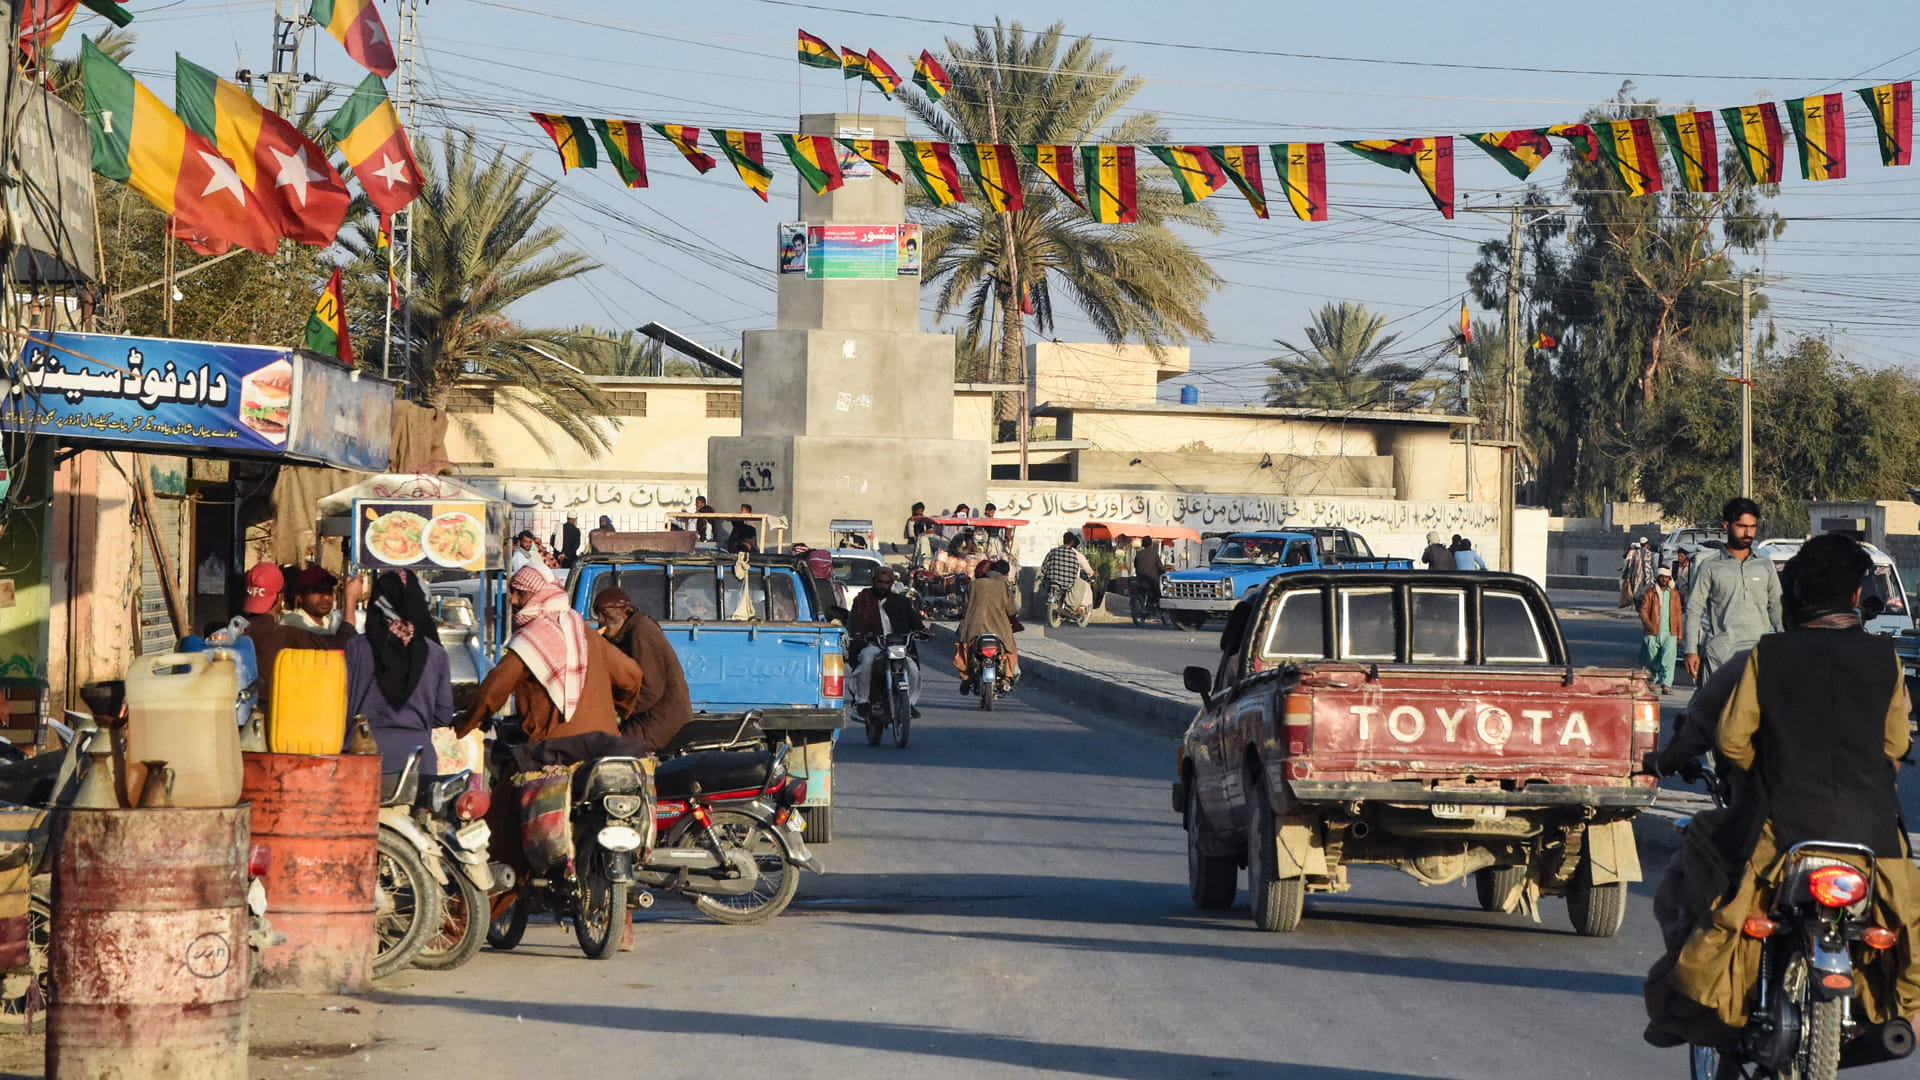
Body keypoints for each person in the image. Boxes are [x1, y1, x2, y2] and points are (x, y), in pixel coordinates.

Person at [1642, 533, 1920, 1047]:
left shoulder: (1766, 655)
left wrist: (1761, 774)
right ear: (1858, 597)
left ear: (1790, 595)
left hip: (1782, 830)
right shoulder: (1887, 660)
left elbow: (1729, 739)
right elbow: (1895, 743)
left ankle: (1692, 1006)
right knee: (1906, 929)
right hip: (1874, 840)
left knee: (1700, 856)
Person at [456, 566, 643, 753]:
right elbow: (632, 675)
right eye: (512, 593)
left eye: (520, 594)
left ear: (540, 595)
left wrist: (464, 725)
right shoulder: (585, 632)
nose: (513, 600)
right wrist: (614, 709)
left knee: (506, 776)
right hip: (606, 744)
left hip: (555, 750)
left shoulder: (532, 639)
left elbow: (494, 689)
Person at [344, 571, 455, 772]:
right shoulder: (436, 654)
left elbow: (341, 703)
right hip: (417, 758)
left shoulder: (355, 648)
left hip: (361, 758)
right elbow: (443, 715)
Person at [1682, 497, 1782, 684]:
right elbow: (1693, 610)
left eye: (1752, 527)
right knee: (1712, 711)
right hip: (1720, 658)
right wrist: (1691, 650)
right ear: (1726, 526)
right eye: (1742, 526)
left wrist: (1787, 645)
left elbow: (1777, 607)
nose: (1748, 532)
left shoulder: (1765, 565)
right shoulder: (1710, 566)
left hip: (1758, 657)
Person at [236, 562, 361, 709]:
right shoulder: (289, 632)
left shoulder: (230, 633)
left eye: (328, 591)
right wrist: (350, 599)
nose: (325, 596)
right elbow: (344, 644)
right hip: (281, 719)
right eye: (316, 590)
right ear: (280, 597)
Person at [591, 586, 693, 754]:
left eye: (604, 613)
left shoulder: (641, 631)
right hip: (649, 718)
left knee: (606, 750)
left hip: (658, 722)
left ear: (623, 611)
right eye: (598, 614)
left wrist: (619, 713)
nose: (601, 620)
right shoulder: (629, 631)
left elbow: (651, 689)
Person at [846, 567, 926, 718]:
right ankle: (862, 702)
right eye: (880, 582)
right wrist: (859, 634)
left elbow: (914, 621)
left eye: (887, 583)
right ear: (873, 582)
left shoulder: (901, 601)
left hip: (897, 646)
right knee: (867, 664)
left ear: (891, 584)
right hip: (873, 644)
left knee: (913, 669)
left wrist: (921, 631)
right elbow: (854, 621)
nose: (883, 586)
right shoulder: (863, 600)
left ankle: (909, 703)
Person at [955, 557, 1020, 686]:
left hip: (973, 627)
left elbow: (965, 604)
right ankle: (1007, 677)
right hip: (999, 629)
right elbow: (1011, 610)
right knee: (1010, 649)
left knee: (964, 647)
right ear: (1006, 574)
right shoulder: (1004, 586)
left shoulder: (974, 584)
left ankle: (965, 676)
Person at [1638, 566, 1682, 694]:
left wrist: (1680, 634)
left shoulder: (1674, 594)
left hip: (1670, 632)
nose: (1664, 579)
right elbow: (1643, 611)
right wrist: (1648, 625)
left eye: (1666, 577)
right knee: (1652, 657)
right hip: (1653, 631)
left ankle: (1666, 685)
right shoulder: (1650, 593)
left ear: (1670, 578)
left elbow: (1678, 614)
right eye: (1661, 577)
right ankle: (1652, 680)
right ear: (1657, 578)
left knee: (1669, 658)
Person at [1041, 531, 1095, 612]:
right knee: (1086, 586)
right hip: (1067, 583)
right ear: (1073, 542)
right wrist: (1092, 573)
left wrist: (1046, 575)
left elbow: (1044, 566)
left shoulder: (1053, 551)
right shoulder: (1075, 554)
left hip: (1051, 580)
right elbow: (1080, 569)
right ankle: (1081, 607)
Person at [281, 565, 341, 633]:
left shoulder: (328, 622)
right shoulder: (291, 622)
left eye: (329, 590)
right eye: (317, 590)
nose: (326, 597)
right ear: (300, 597)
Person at [1133, 539, 1165, 607]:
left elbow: (1135, 565)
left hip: (1140, 579)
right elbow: (1161, 567)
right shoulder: (1154, 554)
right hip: (1152, 580)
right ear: (1151, 544)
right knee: (1159, 592)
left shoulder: (1138, 554)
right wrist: (1163, 571)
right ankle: (1156, 604)